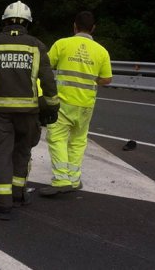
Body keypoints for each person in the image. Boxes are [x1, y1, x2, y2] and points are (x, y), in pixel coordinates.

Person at [0, 0, 59, 220]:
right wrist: (52, 103)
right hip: (29, 112)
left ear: (4, 21)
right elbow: (48, 79)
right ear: (27, 23)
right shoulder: (36, 45)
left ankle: (2, 205)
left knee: (2, 155)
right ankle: (19, 195)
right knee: (22, 152)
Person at [39, 11, 112, 196]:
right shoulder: (101, 51)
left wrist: (41, 94)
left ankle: (62, 180)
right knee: (78, 141)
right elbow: (107, 79)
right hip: (86, 104)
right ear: (93, 28)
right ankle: (74, 179)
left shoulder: (62, 44)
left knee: (57, 139)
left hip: (63, 102)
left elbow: (45, 67)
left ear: (74, 26)